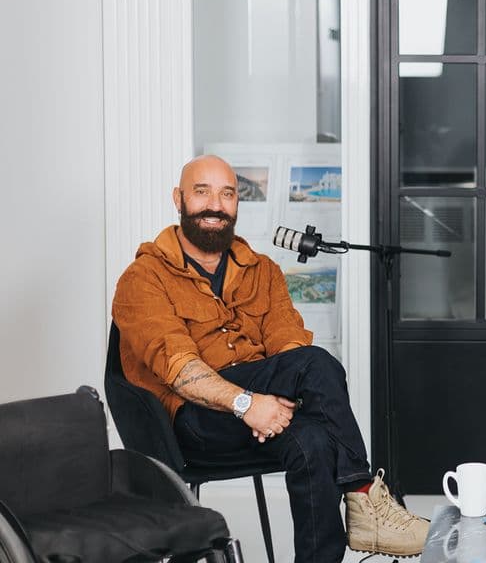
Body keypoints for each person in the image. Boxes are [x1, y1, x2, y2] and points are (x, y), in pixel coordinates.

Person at [112, 155, 427, 563]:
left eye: (227, 194)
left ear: (237, 204)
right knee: (316, 365)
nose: (215, 204)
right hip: (191, 422)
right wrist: (248, 404)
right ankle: (364, 495)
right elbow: (180, 371)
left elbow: (288, 346)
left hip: (259, 407)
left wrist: (279, 402)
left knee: (312, 439)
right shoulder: (143, 278)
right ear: (179, 198)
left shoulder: (262, 270)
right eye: (201, 191)